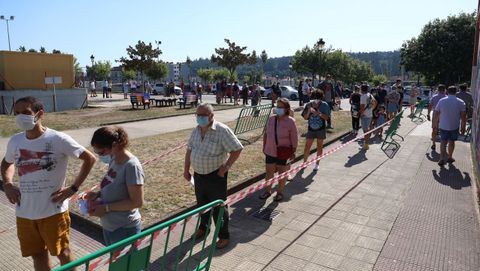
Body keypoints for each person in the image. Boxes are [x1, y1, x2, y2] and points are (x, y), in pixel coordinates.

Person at [1, 96, 96, 271]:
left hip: (53, 212)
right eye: (17, 113)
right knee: (37, 255)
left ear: (40, 114)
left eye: (26, 112)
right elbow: (7, 163)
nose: (21, 117)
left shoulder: (57, 139)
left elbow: (89, 159)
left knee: (63, 253)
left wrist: (73, 188)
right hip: (24, 212)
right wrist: (7, 184)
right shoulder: (15, 141)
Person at [184, 103, 243, 249]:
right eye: (198, 115)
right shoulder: (196, 131)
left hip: (215, 176)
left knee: (219, 208)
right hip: (198, 176)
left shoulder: (222, 130)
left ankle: (223, 236)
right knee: (202, 205)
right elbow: (189, 150)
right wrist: (186, 170)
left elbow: (237, 149)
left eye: (203, 115)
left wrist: (226, 167)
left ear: (211, 116)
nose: (200, 118)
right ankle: (203, 228)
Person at [86, 126, 144, 245]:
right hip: (111, 226)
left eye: (101, 152)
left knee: (126, 263)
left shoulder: (131, 166)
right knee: (115, 261)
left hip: (124, 229)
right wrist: (97, 194)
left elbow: (137, 202)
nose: (99, 156)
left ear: (114, 145)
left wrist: (106, 208)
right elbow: (112, 184)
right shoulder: (114, 158)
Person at [259, 98, 298, 201]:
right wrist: (264, 146)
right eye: (277, 106)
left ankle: (279, 193)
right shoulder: (271, 119)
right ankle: (267, 191)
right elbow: (266, 134)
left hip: (284, 152)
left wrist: (293, 151)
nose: (278, 109)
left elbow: (294, 138)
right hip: (270, 150)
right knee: (269, 173)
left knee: (282, 173)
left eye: (281, 107)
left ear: (286, 109)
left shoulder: (291, 121)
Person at [433, 86, 467, 166]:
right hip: (454, 125)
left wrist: (435, 125)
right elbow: (463, 117)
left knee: (443, 142)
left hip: (443, 125)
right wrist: (463, 127)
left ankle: (441, 158)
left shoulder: (442, 101)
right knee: (452, 142)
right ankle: (450, 157)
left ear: (447, 91)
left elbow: (436, 114)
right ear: (456, 92)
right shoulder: (461, 102)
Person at [302, 89, 331, 171]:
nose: (316, 99)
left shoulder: (324, 105)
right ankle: (304, 162)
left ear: (321, 98)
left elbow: (327, 118)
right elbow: (305, 117)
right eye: (314, 97)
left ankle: (317, 164)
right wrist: (308, 112)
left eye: (318, 98)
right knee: (307, 146)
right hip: (311, 129)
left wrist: (319, 113)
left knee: (319, 146)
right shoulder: (308, 104)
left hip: (321, 129)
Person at [428, 85, 447, 150]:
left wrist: (428, 114)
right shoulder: (446, 97)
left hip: (435, 114)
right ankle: (443, 144)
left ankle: (433, 144)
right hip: (444, 115)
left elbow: (430, 105)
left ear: (438, 89)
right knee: (443, 130)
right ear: (445, 90)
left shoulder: (434, 97)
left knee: (434, 129)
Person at [359, 84, 377, 150]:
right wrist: (372, 109)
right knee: (367, 130)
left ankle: (366, 144)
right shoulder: (370, 95)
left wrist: (361, 114)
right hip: (370, 114)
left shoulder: (363, 96)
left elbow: (362, 107)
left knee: (365, 131)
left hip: (365, 115)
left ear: (361, 89)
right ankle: (366, 142)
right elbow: (375, 102)